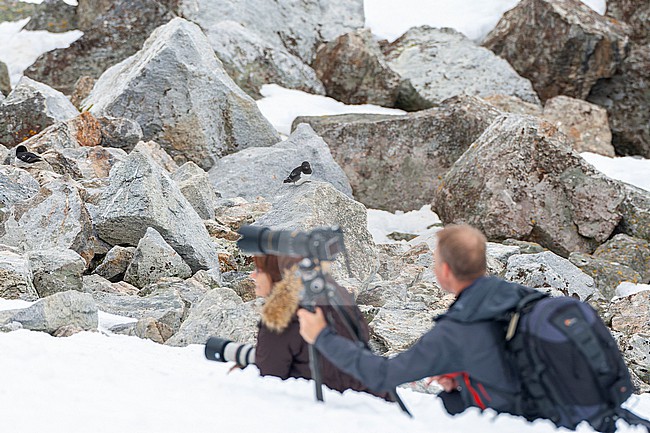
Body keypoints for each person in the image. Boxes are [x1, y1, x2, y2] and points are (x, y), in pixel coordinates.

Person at [297, 225, 541, 415]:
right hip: (557, 407)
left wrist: (322, 336)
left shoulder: (456, 327)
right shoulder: (520, 298)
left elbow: (383, 374)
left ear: (445, 270)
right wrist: (464, 376)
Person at [251, 253, 382, 396]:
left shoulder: (280, 317)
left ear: (275, 274)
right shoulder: (335, 293)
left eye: (259, 271)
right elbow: (363, 335)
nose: (253, 275)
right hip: (375, 395)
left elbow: (269, 379)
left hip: (334, 409)